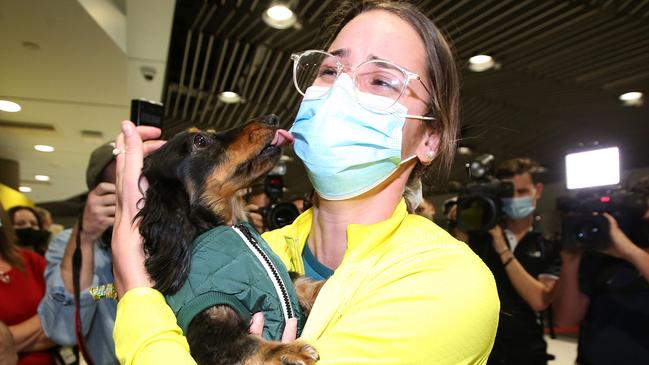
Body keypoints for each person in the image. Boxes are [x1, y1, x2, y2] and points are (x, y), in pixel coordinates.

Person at [110, 1, 499, 364]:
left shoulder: (448, 283)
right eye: (330, 71)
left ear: (430, 138)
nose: (342, 91)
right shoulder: (256, 250)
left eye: (381, 80)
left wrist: (137, 296)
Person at [461, 158, 559, 365]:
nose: (515, 199)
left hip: (528, 351)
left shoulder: (548, 245)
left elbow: (541, 300)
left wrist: (502, 248)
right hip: (484, 351)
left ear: (538, 190)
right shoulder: (480, 237)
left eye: (522, 192)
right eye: (508, 193)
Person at [37, 142, 119, 364]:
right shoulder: (71, 244)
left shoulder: (171, 238)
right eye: (117, 185)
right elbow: (62, 330)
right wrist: (85, 237)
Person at [553, 176, 649, 365]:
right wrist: (570, 264)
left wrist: (631, 252)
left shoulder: (630, 253)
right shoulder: (602, 256)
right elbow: (566, 319)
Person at [0, 202, 56, 365]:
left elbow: (64, 317)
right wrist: (44, 320)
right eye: (21, 223)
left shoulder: (33, 262)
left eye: (33, 223)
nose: (29, 228)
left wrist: (10, 340)